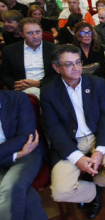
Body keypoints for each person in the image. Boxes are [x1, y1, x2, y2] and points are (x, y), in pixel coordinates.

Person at [40, 44, 105, 219]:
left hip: (98, 136)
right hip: (70, 142)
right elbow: (53, 128)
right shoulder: (48, 92)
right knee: (59, 192)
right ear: (56, 67)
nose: (76, 68)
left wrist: (100, 151)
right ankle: (93, 193)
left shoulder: (97, 83)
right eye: (68, 64)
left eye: (78, 62)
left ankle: (94, 182)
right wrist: (77, 158)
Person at [0, 90, 48, 220]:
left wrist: (19, 154)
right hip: (18, 153)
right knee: (29, 198)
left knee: (11, 188)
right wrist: (15, 155)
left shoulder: (18, 98)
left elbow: (25, 137)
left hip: (28, 154)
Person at [1, 18, 56, 98]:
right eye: (30, 33)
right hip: (21, 91)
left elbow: (59, 73)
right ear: (22, 34)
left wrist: (40, 83)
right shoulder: (9, 50)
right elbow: (4, 75)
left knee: (35, 92)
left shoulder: (54, 49)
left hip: (49, 87)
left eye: (38, 32)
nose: (35, 36)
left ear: (42, 31)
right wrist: (16, 85)